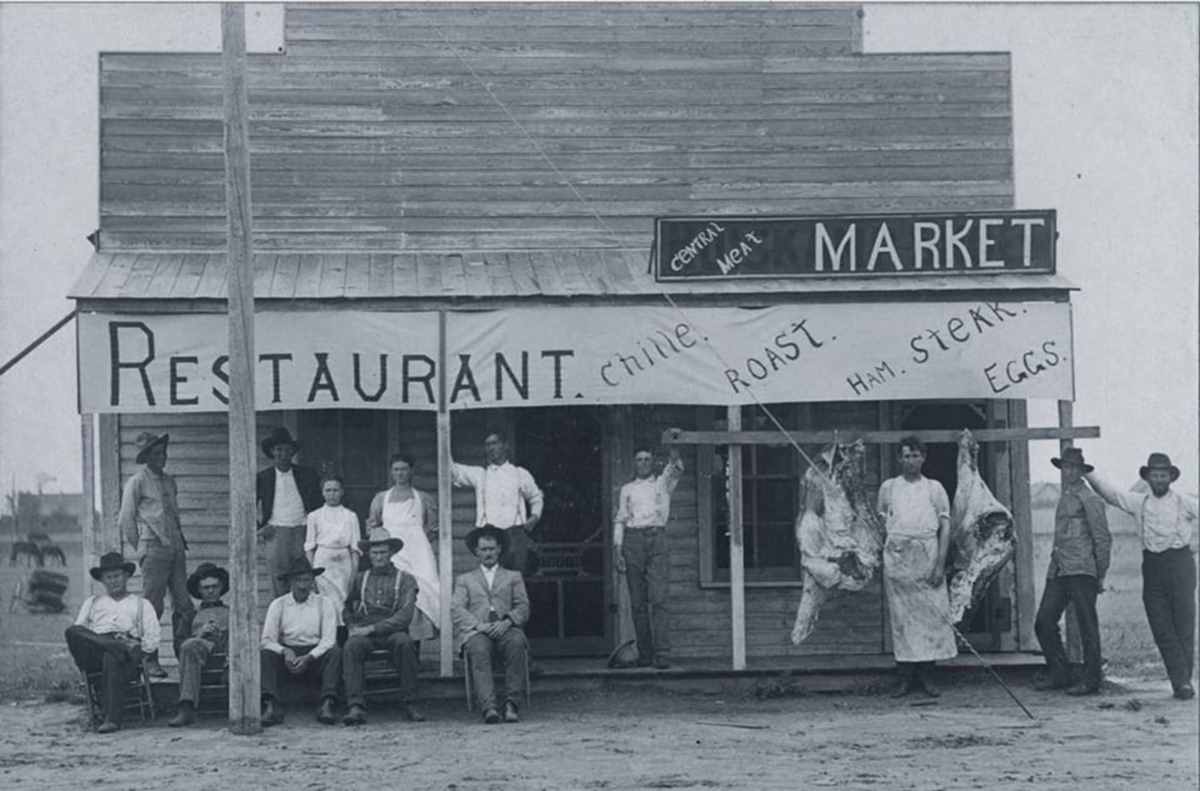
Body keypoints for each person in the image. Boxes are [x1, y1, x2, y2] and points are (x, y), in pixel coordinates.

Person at [1086, 453, 1199, 700]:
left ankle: (1182, 683)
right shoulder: (1139, 502)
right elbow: (1111, 495)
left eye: (1163, 476)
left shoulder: (1184, 502)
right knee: (1160, 625)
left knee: (1184, 626)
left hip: (1181, 564)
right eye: (1155, 476)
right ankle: (1181, 680)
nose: (1159, 480)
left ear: (1171, 477)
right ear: (1148, 478)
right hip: (1153, 566)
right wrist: (1088, 472)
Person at [876, 436, 957, 697]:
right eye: (906, 456)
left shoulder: (934, 488)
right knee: (902, 618)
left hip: (927, 554)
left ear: (923, 458)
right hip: (899, 557)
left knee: (930, 616)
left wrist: (939, 564)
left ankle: (928, 675)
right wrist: (890, 552)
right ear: (899, 459)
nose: (911, 461)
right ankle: (904, 676)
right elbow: (880, 524)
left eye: (915, 455)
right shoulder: (889, 487)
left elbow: (945, 528)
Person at [1033, 448, 1110, 696]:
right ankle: (1060, 674)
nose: (1069, 472)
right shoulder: (1064, 496)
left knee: (1087, 625)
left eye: (1074, 468)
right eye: (1065, 467)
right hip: (1059, 568)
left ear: (1081, 471)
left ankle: (1091, 680)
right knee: (1044, 621)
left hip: (1082, 569)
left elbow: (1102, 538)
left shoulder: (1090, 498)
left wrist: (1100, 574)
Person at [117, 431, 193, 678]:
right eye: (156, 453)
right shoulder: (137, 481)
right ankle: (149, 660)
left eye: (163, 452)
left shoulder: (171, 481)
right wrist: (142, 547)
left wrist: (176, 543)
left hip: (176, 548)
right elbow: (126, 519)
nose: (162, 457)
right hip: (154, 549)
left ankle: (185, 658)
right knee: (153, 607)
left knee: (184, 605)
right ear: (146, 457)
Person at [65, 552, 161, 733]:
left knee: (112, 656)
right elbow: (79, 632)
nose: (113, 581)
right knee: (72, 631)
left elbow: (152, 640)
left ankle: (112, 719)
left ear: (126, 576)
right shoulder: (92, 602)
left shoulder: (141, 604)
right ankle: (111, 645)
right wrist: (105, 642)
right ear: (102, 580)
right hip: (95, 652)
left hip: (127, 654)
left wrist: (135, 647)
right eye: (108, 578)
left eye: (117, 576)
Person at [341, 527, 424, 726]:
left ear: (391, 553)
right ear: (369, 554)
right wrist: (351, 625)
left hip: (393, 631)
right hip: (364, 631)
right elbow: (346, 607)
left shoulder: (405, 579)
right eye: (375, 552)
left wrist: (372, 629)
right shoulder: (360, 578)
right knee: (351, 646)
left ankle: (410, 702)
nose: (379, 557)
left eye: (383, 552)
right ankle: (356, 705)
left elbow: (405, 616)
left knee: (405, 643)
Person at [613, 446, 683, 670]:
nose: (643, 463)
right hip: (632, 542)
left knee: (659, 598)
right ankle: (645, 654)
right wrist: (618, 549)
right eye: (639, 459)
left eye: (647, 459)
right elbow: (620, 520)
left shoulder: (663, 484)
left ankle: (662, 654)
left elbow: (676, 469)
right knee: (638, 603)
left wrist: (674, 453)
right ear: (634, 463)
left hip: (656, 539)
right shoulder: (627, 489)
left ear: (653, 462)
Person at [452, 526, 530, 724]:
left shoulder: (513, 576)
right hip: (478, 631)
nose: (488, 553)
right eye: (484, 549)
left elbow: (523, 606)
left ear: (499, 550)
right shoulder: (465, 579)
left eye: (492, 549)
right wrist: (479, 626)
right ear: (476, 552)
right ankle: (489, 708)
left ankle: (512, 704)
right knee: (478, 649)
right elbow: (456, 609)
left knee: (516, 643)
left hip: (506, 628)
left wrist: (508, 621)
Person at [259, 557, 342, 726]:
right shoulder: (278, 604)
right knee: (265, 654)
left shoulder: (324, 603)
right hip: (287, 656)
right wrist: (285, 652)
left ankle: (327, 704)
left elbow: (328, 640)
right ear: (290, 582)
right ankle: (271, 705)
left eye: (307, 580)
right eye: (298, 580)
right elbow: (267, 639)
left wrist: (309, 657)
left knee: (334, 651)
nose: (303, 586)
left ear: (313, 581)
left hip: (314, 657)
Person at [365, 452, 439, 642]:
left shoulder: (423, 498)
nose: (400, 473)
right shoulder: (381, 498)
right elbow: (373, 526)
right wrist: (386, 546)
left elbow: (432, 528)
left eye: (404, 469)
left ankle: (417, 642)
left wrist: (418, 543)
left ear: (411, 471)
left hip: (418, 552)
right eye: (396, 469)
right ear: (391, 472)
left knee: (424, 591)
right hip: (393, 550)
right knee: (397, 590)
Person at [451, 432, 544, 574]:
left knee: (516, 578)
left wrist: (534, 517)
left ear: (505, 446)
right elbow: (454, 471)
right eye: (487, 445)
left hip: (515, 534)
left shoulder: (519, 473)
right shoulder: (480, 474)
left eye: (494, 443)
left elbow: (536, 497)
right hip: (490, 535)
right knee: (493, 578)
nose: (490, 448)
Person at [256, 427, 323, 597]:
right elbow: (248, 505)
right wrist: (258, 528)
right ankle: (281, 619)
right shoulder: (264, 477)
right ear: (272, 452)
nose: (283, 454)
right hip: (276, 532)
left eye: (287, 449)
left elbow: (318, 504)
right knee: (279, 580)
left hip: (303, 530)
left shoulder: (307, 474)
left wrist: (316, 529)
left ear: (293, 451)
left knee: (304, 576)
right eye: (279, 449)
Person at [169, 562, 230, 727]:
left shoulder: (232, 612)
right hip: (198, 665)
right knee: (190, 645)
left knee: (235, 635)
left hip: (227, 665)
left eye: (214, 586)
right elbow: (178, 646)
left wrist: (222, 634)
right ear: (199, 590)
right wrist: (199, 634)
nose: (210, 591)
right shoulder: (190, 615)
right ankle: (186, 707)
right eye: (205, 587)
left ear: (221, 587)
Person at [304, 475, 361, 617]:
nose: (332, 494)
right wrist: (312, 573)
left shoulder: (350, 516)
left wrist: (353, 574)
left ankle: (342, 636)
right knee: (325, 602)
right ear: (322, 492)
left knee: (343, 601)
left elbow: (355, 548)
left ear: (342, 492)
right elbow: (309, 548)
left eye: (335, 490)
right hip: (322, 563)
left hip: (343, 563)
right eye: (328, 490)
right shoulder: (314, 516)